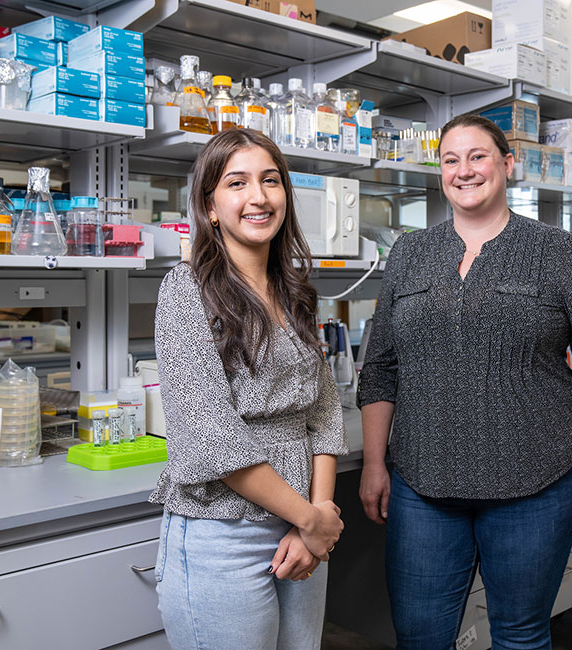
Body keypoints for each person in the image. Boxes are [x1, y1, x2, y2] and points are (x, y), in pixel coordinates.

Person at [357, 114, 572, 649]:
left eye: (477, 156)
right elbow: (381, 367)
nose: (464, 171)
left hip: (537, 482)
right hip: (422, 481)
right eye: (450, 160)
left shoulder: (559, 252)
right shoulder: (409, 253)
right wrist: (372, 464)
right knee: (418, 636)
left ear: (507, 164)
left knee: (521, 634)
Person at [151, 128, 348, 650]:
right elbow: (213, 437)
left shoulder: (294, 292)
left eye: (271, 181)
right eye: (236, 183)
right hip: (224, 536)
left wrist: (318, 516)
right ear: (210, 206)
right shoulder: (185, 290)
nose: (258, 197)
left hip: (301, 530)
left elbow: (324, 412)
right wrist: (312, 520)